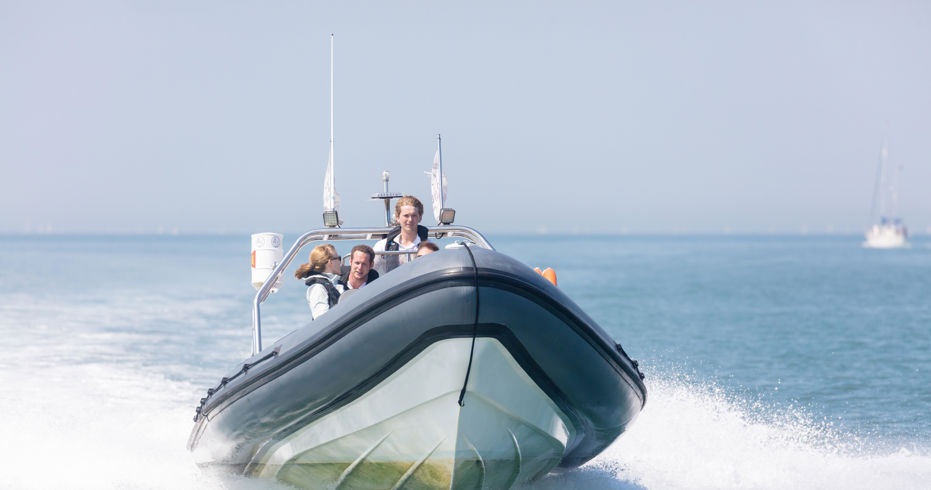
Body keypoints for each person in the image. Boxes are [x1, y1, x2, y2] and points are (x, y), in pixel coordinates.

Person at [373, 195, 429, 275]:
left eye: (414, 216)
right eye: (406, 216)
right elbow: (368, 273)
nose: (410, 220)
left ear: (420, 218)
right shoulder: (382, 247)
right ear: (398, 218)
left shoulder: (429, 248)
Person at [294, 244, 345, 320]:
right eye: (339, 258)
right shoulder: (318, 288)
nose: (340, 262)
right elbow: (321, 319)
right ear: (330, 262)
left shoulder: (336, 283)